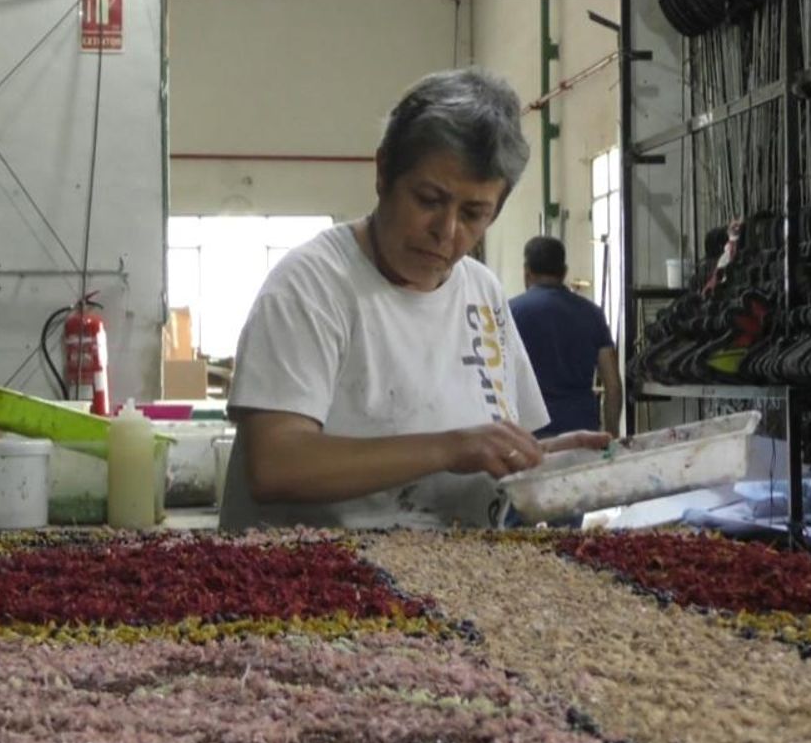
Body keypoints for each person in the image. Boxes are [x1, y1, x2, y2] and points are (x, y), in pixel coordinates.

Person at [217, 69, 612, 531]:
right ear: (383, 172)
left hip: (453, 575)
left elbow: (484, 449)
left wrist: (538, 457)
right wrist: (450, 447)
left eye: (473, 214)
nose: (446, 232)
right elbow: (277, 464)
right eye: (428, 199)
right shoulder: (312, 286)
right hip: (322, 579)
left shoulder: (482, 292)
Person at [508, 236, 623, 437]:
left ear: (527, 273)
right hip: (582, 431)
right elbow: (612, 385)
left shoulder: (510, 313)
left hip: (529, 436)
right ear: (564, 272)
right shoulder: (592, 314)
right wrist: (611, 434)